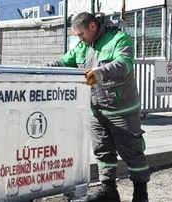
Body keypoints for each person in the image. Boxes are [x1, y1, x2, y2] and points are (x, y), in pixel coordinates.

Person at [47, 12, 149, 202]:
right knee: (102, 151)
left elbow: (124, 63)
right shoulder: (82, 47)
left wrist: (100, 72)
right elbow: (63, 62)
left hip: (121, 110)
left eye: (80, 34)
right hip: (95, 111)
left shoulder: (119, 39)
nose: (79, 38)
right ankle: (109, 191)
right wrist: (41, 69)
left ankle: (140, 194)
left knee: (132, 152)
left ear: (92, 26)